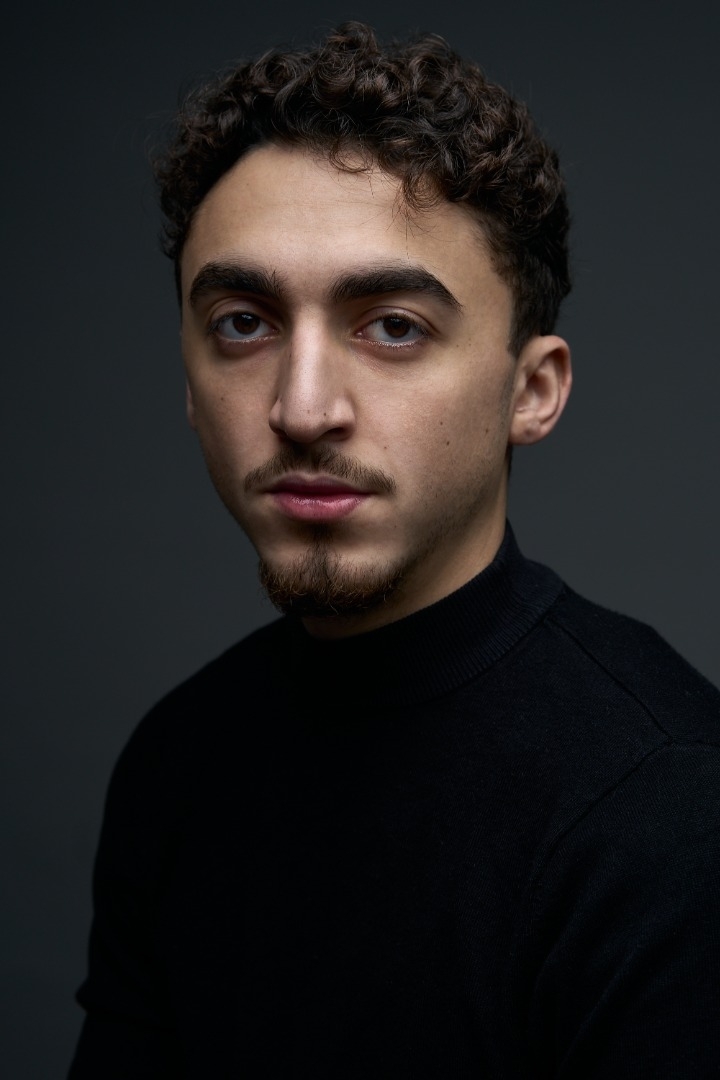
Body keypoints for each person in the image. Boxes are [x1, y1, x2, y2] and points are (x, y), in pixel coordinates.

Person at [68, 22, 720, 1079]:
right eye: (243, 324)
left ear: (533, 390)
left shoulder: (674, 809)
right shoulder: (176, 764)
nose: (302, 407)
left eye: (394, 326)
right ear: (189, 383)